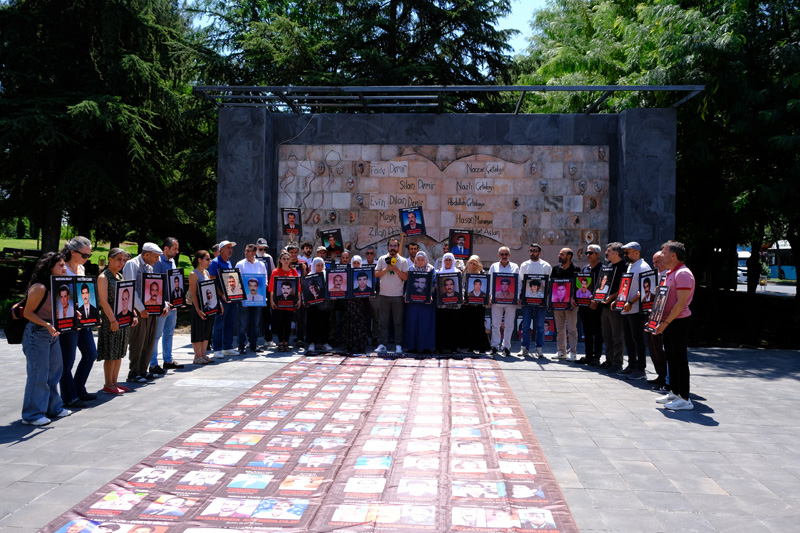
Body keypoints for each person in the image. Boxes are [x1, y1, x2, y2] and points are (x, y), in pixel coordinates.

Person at [20, 252, 72, 425]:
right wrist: (47, 325)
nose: (65, 268)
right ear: (50, 267)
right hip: (37, 333)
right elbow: (27, 313)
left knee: (54, 372)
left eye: (64, 264)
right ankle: (32, 414)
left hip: (52, 333)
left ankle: (53, 408)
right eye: (61, 265)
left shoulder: (58, 285)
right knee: (38, 375)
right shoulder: (40, 287)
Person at [58, 236, 99, 409]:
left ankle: (78, 388)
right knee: (68, 360)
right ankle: (69, 397)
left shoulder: (80, 268)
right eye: (84, 255)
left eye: (89, 255)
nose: (87, 259)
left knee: (91, 354)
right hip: (67, 318)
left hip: (83, 319)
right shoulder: (62, 269)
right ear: (72, 252)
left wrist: (93, 315)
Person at [654, 241, 696, 410]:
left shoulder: (683, 274)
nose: (661, 255)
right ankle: (674, 392)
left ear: (673, 255)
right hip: (669, 321)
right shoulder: (670, 272)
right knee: (671, 357)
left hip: (678, 321)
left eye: (664, 252)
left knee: (679, 359)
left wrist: (665, 323)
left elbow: (680, 304)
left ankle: (685, 398)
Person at [123, 242, 170, 384]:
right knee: (138, 341)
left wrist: (163, 304)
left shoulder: (149, 267)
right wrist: (140, 308)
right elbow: (131, 289)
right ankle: (134, 372)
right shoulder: (133, 264)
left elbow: (153, 289)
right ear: (146, 254)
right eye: (155, 257)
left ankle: (143, 370)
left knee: (149, 341)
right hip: (139, 310)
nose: (157, 260)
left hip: (151, 310)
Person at [97, 248, 137, 394]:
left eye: (124, 260)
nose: (122, 263)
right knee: (111, 353)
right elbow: (103, 301)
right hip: (111, 320)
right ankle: (108, 384)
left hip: (123, 320)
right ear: (110, 259)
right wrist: (113, 320)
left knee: (119, 352)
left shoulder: (120, 276)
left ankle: (115, 382)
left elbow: (127, 297)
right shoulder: (104, 277)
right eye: (119, 259)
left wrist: (133, 314)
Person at [619, 241, 651, 380]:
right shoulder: (631, 266)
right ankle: (631, 365)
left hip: (637, 309)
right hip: (627, 308)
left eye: (627, 252)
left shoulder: (643, 267)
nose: (625, 255)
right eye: (624, 252)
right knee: (629, 339)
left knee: (637, 339)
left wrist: (631, 302)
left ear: (636, 252)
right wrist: (620, 300)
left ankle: (640, 368)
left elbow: (644, 290)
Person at [597, 242, 627, 373]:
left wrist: (613, 297)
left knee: (617, 336)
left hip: (616, 306)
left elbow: (624, 287)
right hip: (605, 306)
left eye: (608, 251)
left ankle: (617, 362)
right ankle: (609, 360)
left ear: (616, 253)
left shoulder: (625, 267)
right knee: (607, 335)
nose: (606, 253)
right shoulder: (608, 266)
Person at [375, 237, 409, 353]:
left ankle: (398, 344)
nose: (393, 248)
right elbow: (376, 274)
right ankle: (382, 344)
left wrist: (396, 269)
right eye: (391, 245)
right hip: (384, 295)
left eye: (395, 246)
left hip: (397, 295)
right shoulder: (382, 259)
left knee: (398, 322)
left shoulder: (403, 261)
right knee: (383, 321)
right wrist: (387, 269)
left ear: (398, 247)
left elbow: (405, 277)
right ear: (388, 247)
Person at [518, 243, 551, 357]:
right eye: (531, 250)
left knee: (540, 326)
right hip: (527, 301)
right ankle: (524, 348)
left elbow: (548, 284)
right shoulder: (524, 265)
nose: (533, 252)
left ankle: (539, 348)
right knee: (526, 326)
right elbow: (521, 282)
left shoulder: (546, 265)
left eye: (535, 250)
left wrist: (545, 300)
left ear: (539, 252)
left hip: (541, 302)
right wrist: (520, 297)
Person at [209, 240, 239, 357]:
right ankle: (217, 349)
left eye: (231, 248)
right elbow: (212, 281)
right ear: (221, 249)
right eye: (228, 247)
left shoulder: (229, 262)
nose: (230, 250)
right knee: (219, 323)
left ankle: (227, 347)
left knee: (230, 323)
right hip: (220, 299)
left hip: (231, 298)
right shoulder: (215, 262)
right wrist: (221, 296)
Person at [236, 243, 267, 354]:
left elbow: (265, 281)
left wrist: (263, 296)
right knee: (243, 323)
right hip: (244, 299)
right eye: (245, 251)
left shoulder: (261, 265)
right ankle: (241, 346)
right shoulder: (240, 264)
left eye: (248, 251)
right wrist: (240, 297)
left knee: (255, 323)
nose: (246, 253)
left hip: (258, 299)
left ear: (254, 253)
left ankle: (253, 345)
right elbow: (236, 282)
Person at [576, 244, 604, 366]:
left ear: (598, 254)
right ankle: (588, 355)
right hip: (584, 306)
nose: (588, 255)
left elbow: (604, 287)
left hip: (597, 306)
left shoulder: (603, 268)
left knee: (597, 332)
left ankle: (596, 357)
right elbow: (579, 286)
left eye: (590, 253)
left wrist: (596, 301)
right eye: (586, 253)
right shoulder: (585, 268)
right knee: (586, 331)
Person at [489, 246, 519, 356]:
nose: (504, 256)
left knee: (509, 324)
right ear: (498, 255)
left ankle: (506, 347)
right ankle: (495, 346)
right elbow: (491, 282)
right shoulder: (494, 266)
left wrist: (517, 296)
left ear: (510, 255)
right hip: (497, 299)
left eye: (506, 254)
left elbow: (518, 284)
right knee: (495, 324)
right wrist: (490, 295)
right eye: (502, 254)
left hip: (511, 299)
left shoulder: (515, 267)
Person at [404, 251, 436, 353]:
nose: (420, 262)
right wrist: (406, 294)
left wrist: (429, 294)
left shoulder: (431, 269)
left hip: (426, 303)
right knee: (412, 323)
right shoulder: (410, 269)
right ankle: (412, 346)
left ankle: (426, 346)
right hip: (413, 303)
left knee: (426, 324)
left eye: (422, 260)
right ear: (415, 260)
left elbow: (434, 283)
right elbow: (407, 284)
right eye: (418, 259)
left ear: (426, 260)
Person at [550, 247, 579, 360]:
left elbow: (578, 286)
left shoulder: (576, 269)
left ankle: (573, 352)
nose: (559, 255)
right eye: (559, 253)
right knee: (560, 329)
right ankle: (561, 351)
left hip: (571, 304)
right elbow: (552, 286)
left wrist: (573, 298)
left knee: (572, 329)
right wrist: (550, 301)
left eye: (561, 254)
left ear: (569, 256)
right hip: (558, 303)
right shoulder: (555, 268)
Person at [459, 256, 492, 353]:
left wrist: (487, 297)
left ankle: (482, 347)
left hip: (479, 305)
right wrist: (463, 297)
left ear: (478, 264)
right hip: (468, 305)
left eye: (475, 263)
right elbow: (462, 287)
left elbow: (487, 288)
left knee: (479, 327)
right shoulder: (464, 274)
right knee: (469, 326)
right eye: (471, 263)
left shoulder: (482, 274)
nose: (472, 265)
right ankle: (471, 347)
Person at [269, 251, 300, 352]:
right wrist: (271, 301)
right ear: (280, 260)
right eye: (284, 259)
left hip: (290, 304)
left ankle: (286, 343)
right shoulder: (275, 272)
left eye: (288, 259)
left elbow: (298, 288)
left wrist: (299, 300)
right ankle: (280, 343)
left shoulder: (294, 272)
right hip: (278, 303)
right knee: (280, 323)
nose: (286, 261)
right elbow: (271, 288)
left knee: (288, 323)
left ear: (290, 260)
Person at [189, 250, 216, 365]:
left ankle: (204, 354)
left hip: (208, 305)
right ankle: (197, 356)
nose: (209, 261)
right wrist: (197, 309)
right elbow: (193, 293)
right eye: (207, 259)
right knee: (198, 330)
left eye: (209, 258)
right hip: (198, 304)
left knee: (206, 330)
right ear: (199, 260)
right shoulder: (193, 274)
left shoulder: (206, 273)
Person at [647, 251, 669, 389]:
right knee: (654, 347)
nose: (655, 265)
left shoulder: (669, 274)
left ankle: (666, 379)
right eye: (653, 262)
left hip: (665, 318)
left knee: (663, 349)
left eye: (657, 262)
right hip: (655, 315)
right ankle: (660, 375)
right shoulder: (659, 275)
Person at [341, 255, 371, 353]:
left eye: (358, 263)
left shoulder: (365, 274)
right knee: (349, 325)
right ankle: (348, 345)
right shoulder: (347, 274)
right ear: (351, 263)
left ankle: (360, 346)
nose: (356, 265)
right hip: (349, 305)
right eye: (354, 263)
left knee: (361, 325)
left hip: (361, 305)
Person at [436, 253, 461, 353]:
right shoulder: (438, 273)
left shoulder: (457, 272)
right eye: (446, 260)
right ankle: (440, 347)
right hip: (442, 306)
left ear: (453, 261)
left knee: (454, 326)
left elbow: (461, 287)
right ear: (443, 261)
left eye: (450, 260)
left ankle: (454, 347)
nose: (448, 262)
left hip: (454, 306)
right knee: (442, 326)